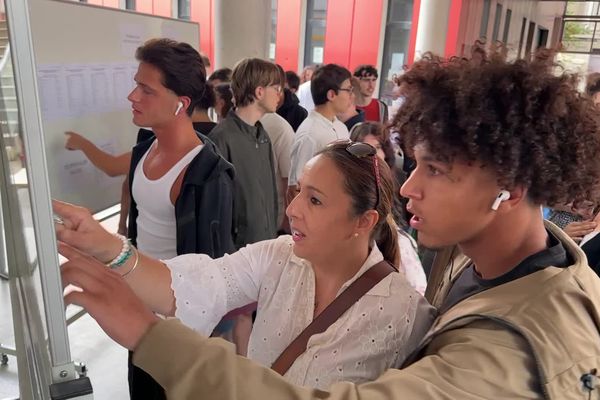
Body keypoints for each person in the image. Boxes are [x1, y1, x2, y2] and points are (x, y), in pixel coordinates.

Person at [59, 50, 600, 399]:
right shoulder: (487, 264)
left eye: (436, 170)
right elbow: (205, 280)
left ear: (512, 186)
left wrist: (147, 332)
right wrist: (111, 248)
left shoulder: (495, 349)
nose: (410, 187)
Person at [56, 140, 434, 390]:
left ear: (363, 222)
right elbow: (196, 285)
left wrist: (144, 330)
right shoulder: (278, 256)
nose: (292, 209)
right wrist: (109, 247)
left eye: (315, 201)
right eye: (298, 191)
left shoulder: (404, 316)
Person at [125, 38, 235, 400]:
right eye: (135, 84)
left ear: (180, 104)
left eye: (146, 89)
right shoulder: (143, 150)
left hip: (180, 327)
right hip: (137, 308)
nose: (133, 96)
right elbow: (140, 231)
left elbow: (213, 267)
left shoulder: (209, 173)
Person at [349, 122, 424, 294]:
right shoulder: (350, 190)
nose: (371, 154)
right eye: (364, 148)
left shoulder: (401, 184)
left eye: (376, 147)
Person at [288, 64, 352, 203]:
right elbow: (296, 188)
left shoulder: (341, 127)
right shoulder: (310, 134)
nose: (351, 96)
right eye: (348, 90)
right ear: (331, 95)